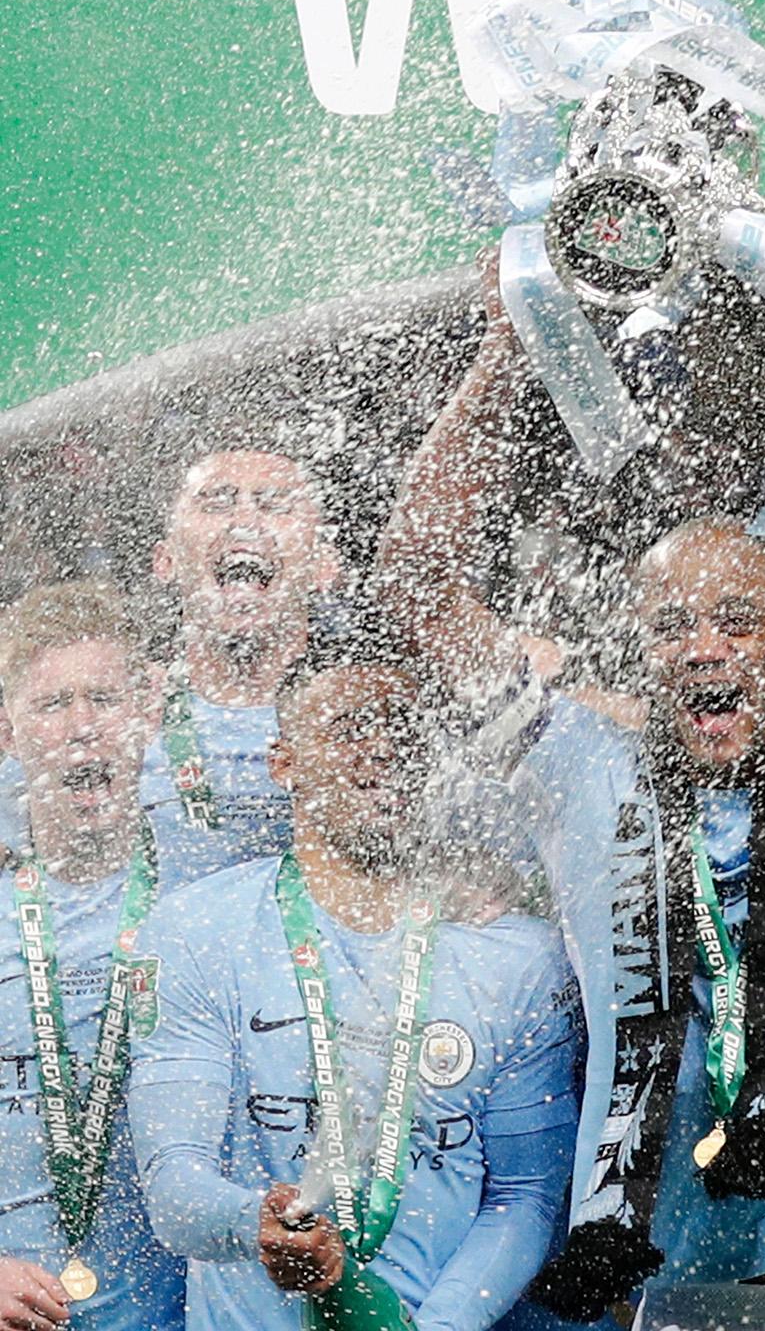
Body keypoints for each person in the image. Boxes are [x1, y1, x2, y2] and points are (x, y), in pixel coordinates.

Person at [379, 188, 765, 1329]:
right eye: (672, 626)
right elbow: (416, 588)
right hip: (672, 1297)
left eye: (735, 620)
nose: (703, 649)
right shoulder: (580, 766)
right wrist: (503, 347)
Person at [127, 628, 582, 1331]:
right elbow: (172, 1188)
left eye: (401, 727)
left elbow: (525, 1197)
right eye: (349, 728)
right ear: (285, 763)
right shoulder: (200, 931)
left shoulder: (516, 957)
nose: (381, 747)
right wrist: (257, 1224)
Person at [0, 582, 185, 1329]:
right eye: (52, 705)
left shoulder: (215, 911)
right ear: (8, 730)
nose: (83, 729)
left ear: (146, 712)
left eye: (104, 700)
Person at [139, 445, 341, 888]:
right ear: (166, 560)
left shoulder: (363, 728)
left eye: (275, 505)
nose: (246, 521)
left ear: (324, 565)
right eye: (216, 503)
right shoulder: (123, 725)